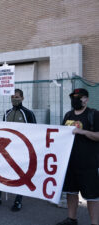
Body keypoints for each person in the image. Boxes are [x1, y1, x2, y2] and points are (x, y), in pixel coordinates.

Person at [0, 88, 36, 212]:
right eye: (12, 97)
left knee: (20, 174)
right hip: (7, 149)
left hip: (21, 149)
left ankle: (18, 200)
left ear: (22, 98)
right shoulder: (7, 112)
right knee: (1, 171)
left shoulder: (28, 113)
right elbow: (2, 129)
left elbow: (35, 131)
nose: (14, 99)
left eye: (17, 97)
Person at [56, 88, 99, 225]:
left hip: (89, 163)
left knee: (92, 196)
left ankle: (94, 222)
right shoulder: (68, 115)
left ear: (86, 99)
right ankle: (72, 219)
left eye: (78, 97)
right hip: (69, 162)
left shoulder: (94, 114)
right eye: (73, 96)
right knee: (71, 192)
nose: (75, 99)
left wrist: (82, 132)